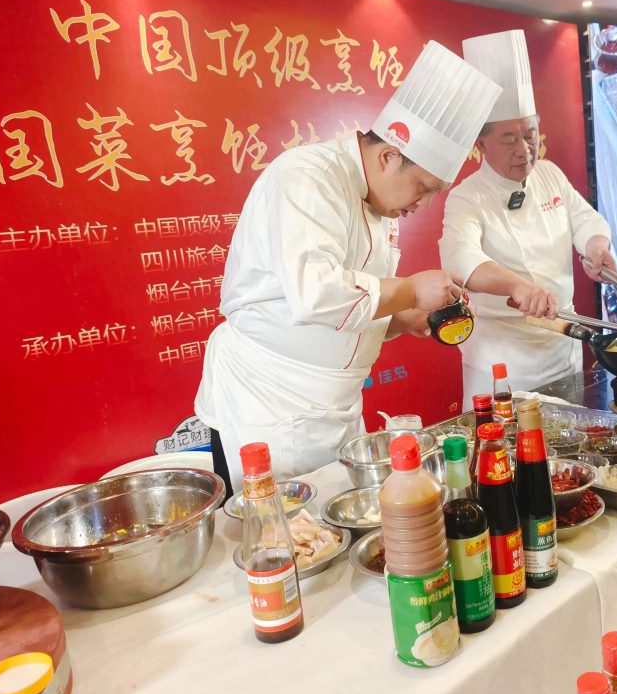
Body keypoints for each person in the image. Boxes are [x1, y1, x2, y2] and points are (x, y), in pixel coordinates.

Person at [196, 41, 501, 490]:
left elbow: (350, 307)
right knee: (277, 525)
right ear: (388, 157)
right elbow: (316, 293)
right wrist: (411, 290)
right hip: (268, 403)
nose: (424, 203)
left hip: (336, 407)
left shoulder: (378, 203)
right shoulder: (306, 177)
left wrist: (401, 319)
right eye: (423, 188)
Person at [439, 29, 617, 404]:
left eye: (531, 135)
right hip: (503, 361)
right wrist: (518, 287)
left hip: (562, 348)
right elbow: (460, 258)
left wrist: (597, 248)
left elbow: (584, 220)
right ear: (481, 143)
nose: (524, 150)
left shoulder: (549, 173)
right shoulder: (467, 197)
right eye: (509, 140)